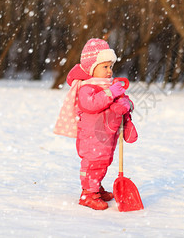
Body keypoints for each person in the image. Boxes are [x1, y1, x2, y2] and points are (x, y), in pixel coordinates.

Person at [54, 38, 138, 210]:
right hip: (92, 136)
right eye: (104, 67)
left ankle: (95, 187)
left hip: (107, 135)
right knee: (94, 162)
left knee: (104, 161)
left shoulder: (110, 85)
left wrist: (126, 104)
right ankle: (88, 194)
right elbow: (91, 104)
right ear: (92, 68)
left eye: (110, 67)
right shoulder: (87, 87)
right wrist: (110, 93)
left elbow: (124, 101)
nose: (109, 71)